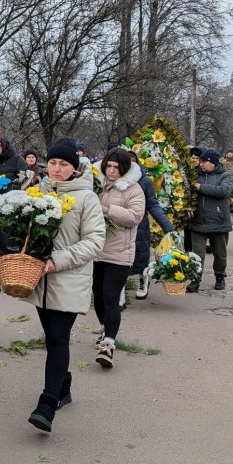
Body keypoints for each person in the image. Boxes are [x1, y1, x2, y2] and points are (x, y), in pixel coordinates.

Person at [21, 140, 105, 431]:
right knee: (51, 337)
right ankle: (64, 385)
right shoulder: (36, 192)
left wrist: (58, 260)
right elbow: (22, 229)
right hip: (39, 280)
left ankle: (46, 405)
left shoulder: (87, 199)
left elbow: (95, 241)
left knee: (58, 338)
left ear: (74, 168)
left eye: (63, 165)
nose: (56, 169)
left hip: (69, 278)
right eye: (53, 163)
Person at [92, 148, 145, 368]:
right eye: (109, 166)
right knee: (98, 295)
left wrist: (105, 208)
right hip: (95, 250)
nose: (112, 171)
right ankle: (105, 328)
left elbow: (134, 217)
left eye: (117, 167)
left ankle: (108, 345)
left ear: (125, 169)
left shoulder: (133, 189)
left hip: (119, 252)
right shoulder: (96, 185)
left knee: (111, 296)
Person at [130, 151, 175, 299]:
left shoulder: (145, 181)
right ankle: (119, 291)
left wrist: (168, 228)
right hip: (119, 225)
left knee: (141, 256)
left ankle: (143, 281)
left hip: (140, 226)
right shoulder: (115, 180)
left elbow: (153, 206)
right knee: (119, 259)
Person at [185, 150, 232, 292]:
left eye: (204, 161)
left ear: (213, 162)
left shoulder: (224, 176)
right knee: (197, 254)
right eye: (200, 161)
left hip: (218, 221)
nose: (200, 164)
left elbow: (224, 191)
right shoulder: (194, 175)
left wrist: (201, 187)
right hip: (198, 221)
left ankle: (220, 276)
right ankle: (195, 280)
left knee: (220, 254)